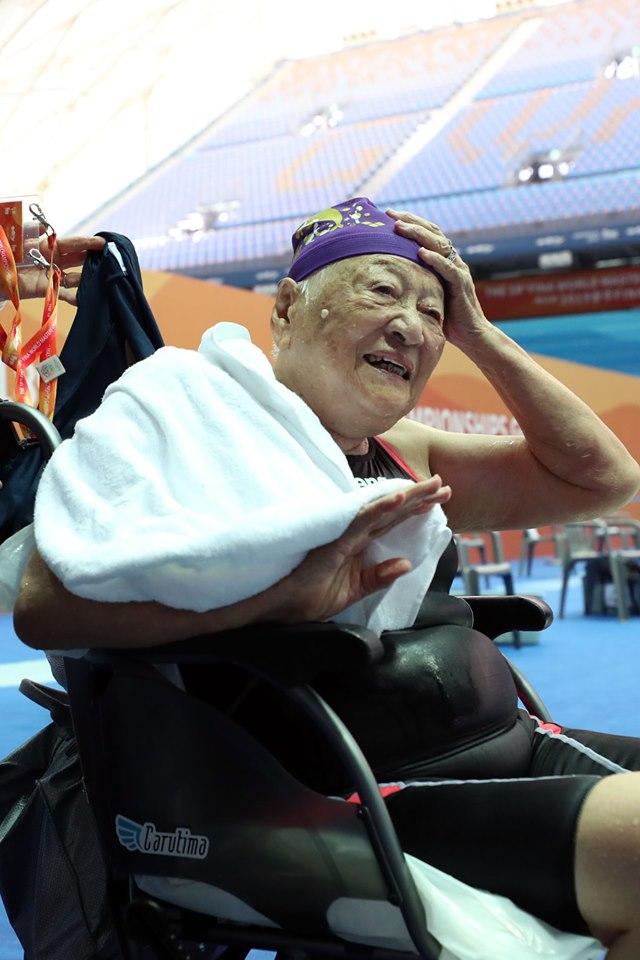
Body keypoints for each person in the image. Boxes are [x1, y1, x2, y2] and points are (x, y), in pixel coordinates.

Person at [13, 197, 640, 958]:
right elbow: (48, 610)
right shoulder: (186, 414)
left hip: (502, 744)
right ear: (285, 308)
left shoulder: (405, 447)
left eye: (433, 313)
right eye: (381, 291)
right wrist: (282, 598)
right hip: (332, 788)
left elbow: (602, 480)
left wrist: (477, 328)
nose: (412, 325)